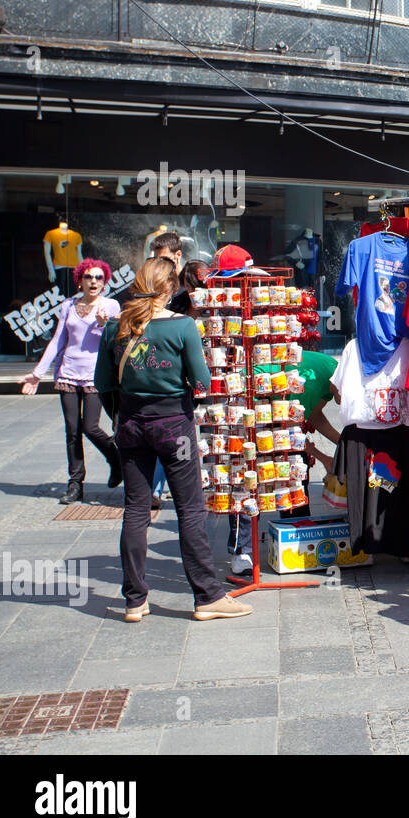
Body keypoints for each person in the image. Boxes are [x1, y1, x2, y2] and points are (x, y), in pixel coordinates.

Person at [94, 257, 251, 622]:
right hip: (173, 427)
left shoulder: (115, 326)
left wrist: (121, 413)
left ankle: (134, 600)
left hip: (131, 424)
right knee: (190, 509)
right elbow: (201, 382)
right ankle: (208, 596)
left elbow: (103, 384)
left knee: (135, 510)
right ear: (169, 288)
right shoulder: (182, 327)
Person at [21, 258, 122, 504]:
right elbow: (57, 341)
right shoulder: (68, 305)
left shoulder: (111, 306)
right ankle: (75, 483)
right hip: (67, 373)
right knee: (72, 430)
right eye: (88, 277)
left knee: (90, 427)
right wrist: (37, 373)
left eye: (99, 277)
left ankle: (115, 458)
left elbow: (118, 339)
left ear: (105, 281)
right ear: (80, 280)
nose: (94, 281)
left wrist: (102, 324)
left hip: (95, 375)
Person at [229, 350, 340, 574]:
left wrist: (343, 443)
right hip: (250, 400)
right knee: (249, 482)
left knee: (296, 473)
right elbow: (287, 431)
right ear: (340, 384)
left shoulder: (331, 372)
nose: (344, 404)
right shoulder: (310, 382)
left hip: (276, 409)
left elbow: (314, 415)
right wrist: (324, 457)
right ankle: (241, 552)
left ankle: (296, 536)